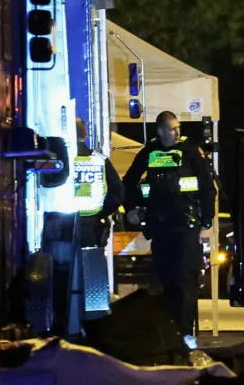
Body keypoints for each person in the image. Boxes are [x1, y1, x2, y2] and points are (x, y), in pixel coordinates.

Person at [122, 111, 214, 347]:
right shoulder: (149, 152)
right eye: (172, 129)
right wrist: (132, 208)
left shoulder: (190, 152)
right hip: (160, 225)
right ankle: (171, 331)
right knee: (165, 279)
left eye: (178, 128)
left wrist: (207, 219)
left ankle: (186, 333)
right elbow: (129, 182)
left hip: (185, 224)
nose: (178, 132)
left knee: (184, 277)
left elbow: (206, 187)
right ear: (161, 131)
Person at [74, 117, 125, 247]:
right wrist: (101, 213)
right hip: (92, 227)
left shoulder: (62, 160)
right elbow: (118, 193)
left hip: (63, 226)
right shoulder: (100, 161)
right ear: (85, 134)